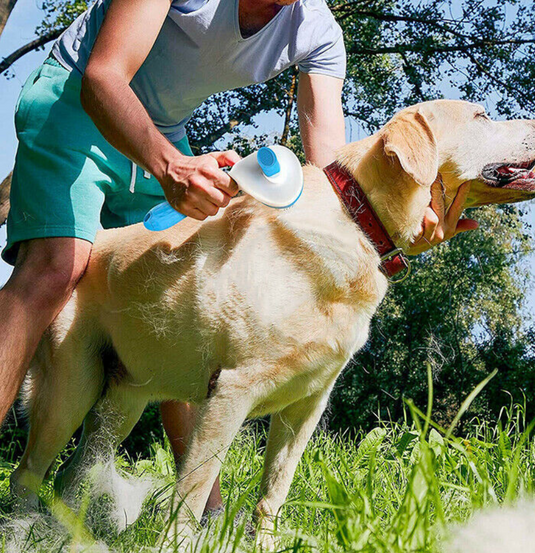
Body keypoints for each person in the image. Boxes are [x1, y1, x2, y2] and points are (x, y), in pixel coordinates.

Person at [0, 0, 478, 513]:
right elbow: (104, 76)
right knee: (57, 268)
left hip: (163, 128)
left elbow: (334, 187)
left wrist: (401, 231)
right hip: (78, 99)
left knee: (182, 294)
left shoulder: (317, 33)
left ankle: (208, 524)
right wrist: (171, 166)